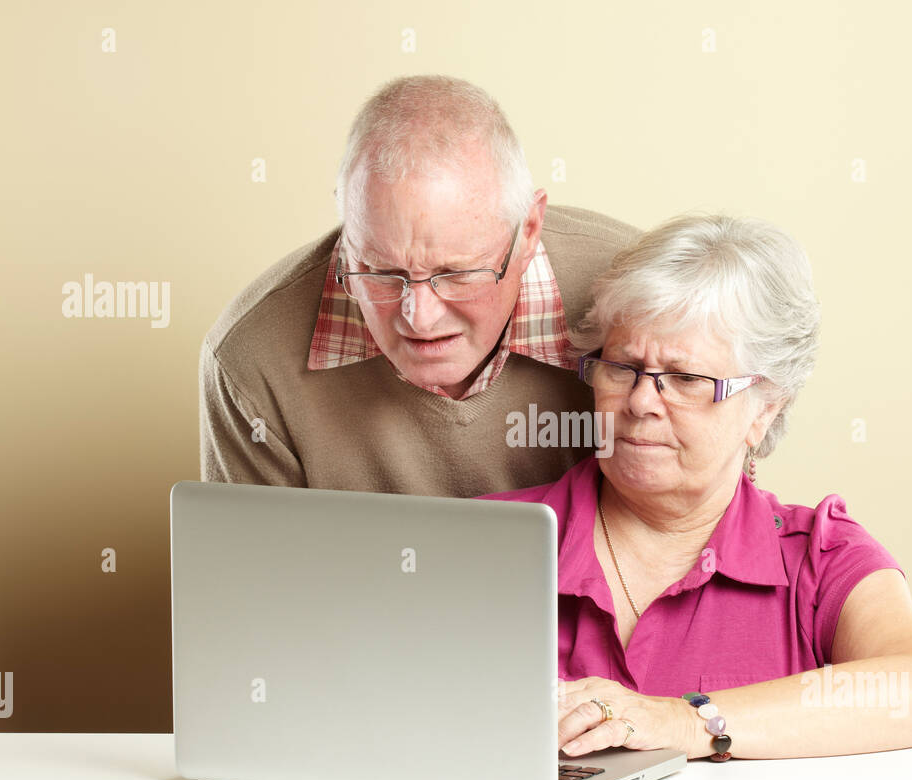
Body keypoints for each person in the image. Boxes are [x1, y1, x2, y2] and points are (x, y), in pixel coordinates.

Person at [481, 214, 912, 760]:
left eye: (686, 379)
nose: (641, 402)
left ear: (764, 408)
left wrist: (684, 723)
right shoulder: (490, 538)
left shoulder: (818, 556)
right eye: (622, 368)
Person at [199, 75, 638, 496]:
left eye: (457, 274)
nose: (419, 317)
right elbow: (255, 568)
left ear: (528, 229)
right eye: (382, 272)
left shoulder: (639, 297)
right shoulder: (249, 357)